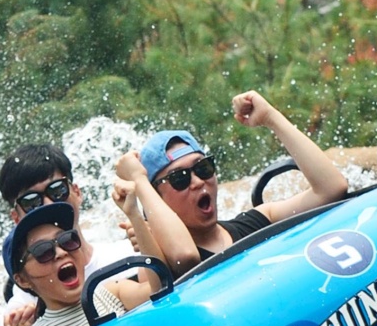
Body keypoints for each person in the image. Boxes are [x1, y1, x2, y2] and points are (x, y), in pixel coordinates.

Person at [133, 90, 349, 270]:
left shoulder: (255, 223)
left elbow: (331, 188)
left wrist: (270, 118)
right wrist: (139, 183)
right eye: (179, 178)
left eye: (203, 167)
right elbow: (185, 259)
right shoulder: (162, 269)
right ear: (157, 198)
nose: (198, 182)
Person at [0, 143, 165, 306]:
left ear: (77, 192)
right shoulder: (24, 303)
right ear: (16, 218)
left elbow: (160, 288)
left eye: (57, 190)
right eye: (31, 202)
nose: (48, 204)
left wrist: (140, 225)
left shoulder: (129, 256)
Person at [1, 201, 165, 326]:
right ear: (22, 280)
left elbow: (161, 292)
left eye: (67, 240)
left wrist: (134, 215)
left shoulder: (112, 293)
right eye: (43, 251)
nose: (61, 252)